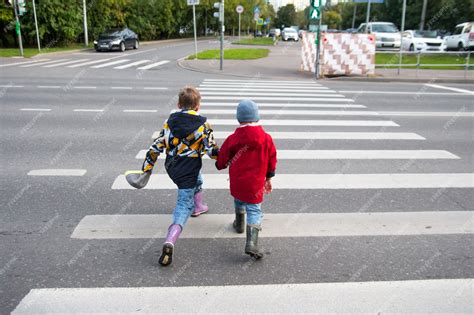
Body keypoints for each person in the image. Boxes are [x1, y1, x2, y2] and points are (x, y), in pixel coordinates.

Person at [142, 86, 219, 266]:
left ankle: (198, 205)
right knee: (184, 204)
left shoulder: (169, 122)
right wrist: (226, 157)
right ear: (198, 106)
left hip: (172, 166)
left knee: (197, 180)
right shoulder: (203, 125)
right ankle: (170, 239)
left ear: (178, 104)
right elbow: (211, 151)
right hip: (189, 168)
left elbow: (156, 146)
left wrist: (147, 168)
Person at [216, 99, 277, 259]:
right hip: (255, 184)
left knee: (239, 200)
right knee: (254, 210)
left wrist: (219, 164)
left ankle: (239, 224)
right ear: (257, 117)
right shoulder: (266, 138)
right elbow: (272, 159)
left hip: (238, 181)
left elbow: (223, 159)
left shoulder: (233, 138)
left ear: (239, 118)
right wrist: (269, 177)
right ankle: (251, 243)